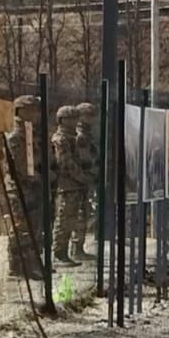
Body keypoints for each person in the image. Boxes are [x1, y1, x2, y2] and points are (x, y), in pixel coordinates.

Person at [3, 95, 45, 280]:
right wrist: (33, 177)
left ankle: (30, 264)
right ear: (21, 110)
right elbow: (18, 164)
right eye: (32, 109)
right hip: (19, 186)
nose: (36, 113)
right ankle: (16, 266)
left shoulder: (30, 132)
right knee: (20, 226)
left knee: (32, 226)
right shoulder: (15, 134)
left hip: (32, 185)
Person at [50, 105, 86, 266]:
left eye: (75, 118)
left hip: (75, 184)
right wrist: (83, 177)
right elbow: (66, 163)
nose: (74, 121)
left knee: (72, 219)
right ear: (62, 120)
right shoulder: (61, 139)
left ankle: (65, 253)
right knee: (64, 220)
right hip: (66, 185)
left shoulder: (75, 138)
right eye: (70, 118)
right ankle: (59, 254)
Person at [73, 102, 99, 255]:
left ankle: (79, 247)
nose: (91, 119)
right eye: (87, 115)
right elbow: (84, 160)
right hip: (80, 180)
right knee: (78, 216)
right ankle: (76, 248)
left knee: (85, 213)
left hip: (87, 179)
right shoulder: (80, 136)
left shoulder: (90, 135)